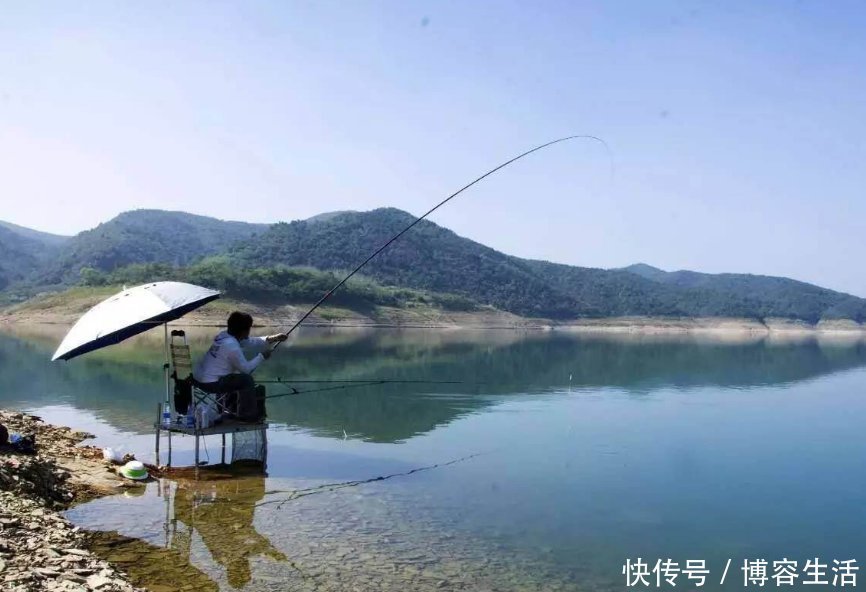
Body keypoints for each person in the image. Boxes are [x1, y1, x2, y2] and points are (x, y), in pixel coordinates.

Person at [194, 311, 287, 396]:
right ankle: (246, 414)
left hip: (198, 380)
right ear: (244, 331)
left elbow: (249, 341)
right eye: (249, 328)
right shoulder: (231, 345)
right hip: (211, 384)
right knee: (246, 380)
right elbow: (246, 370)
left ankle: (230, 409)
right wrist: (262, 356)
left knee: (235, 376)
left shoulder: (224, 336)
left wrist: (272, 338)